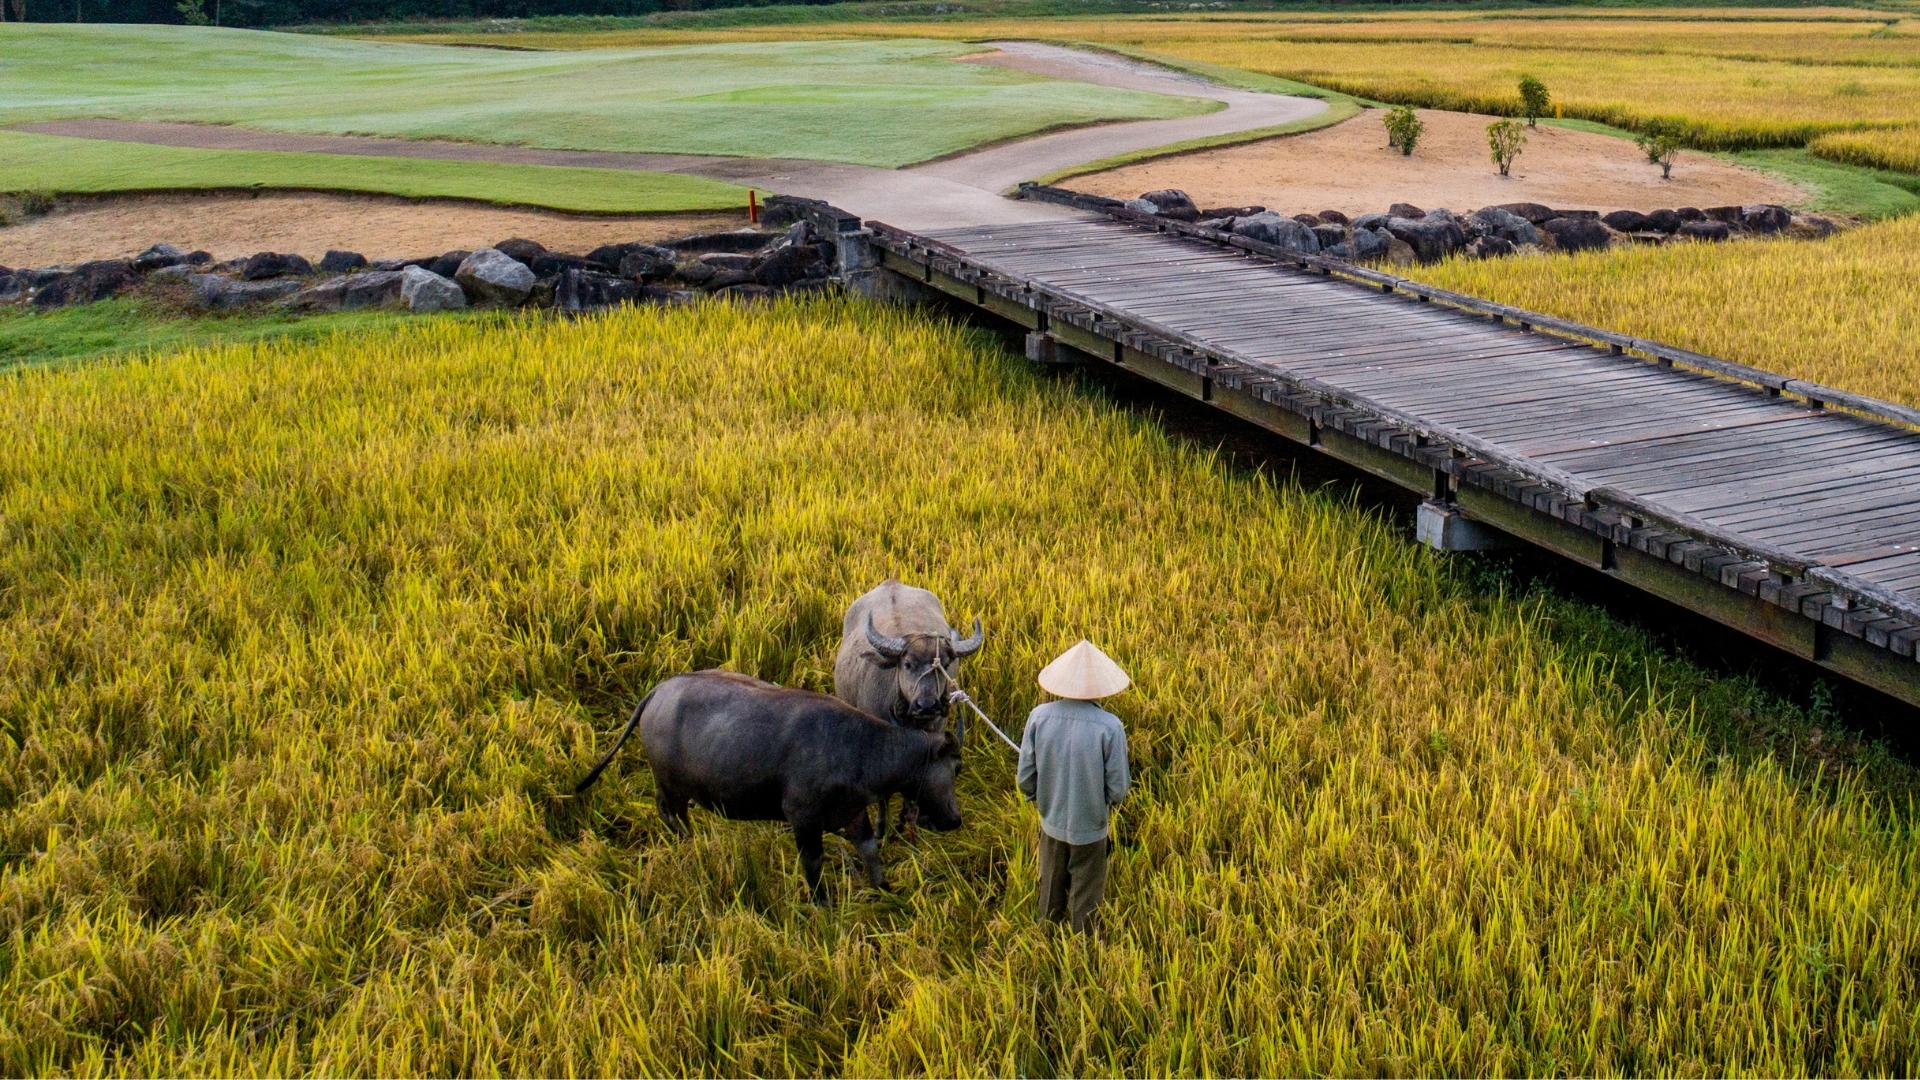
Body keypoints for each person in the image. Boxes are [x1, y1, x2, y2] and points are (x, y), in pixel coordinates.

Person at [1017, 639, 1131, 934]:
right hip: (1091, 826)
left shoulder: (1038, 717)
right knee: (1087, 892)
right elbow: (1118, 788)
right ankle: (1083, 947)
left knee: (1050, 883)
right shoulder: (1110, 727)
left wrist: (1038, 797)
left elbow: (1025, 776)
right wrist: (1101, 802)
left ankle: (1046, 938)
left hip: (1051, 821)